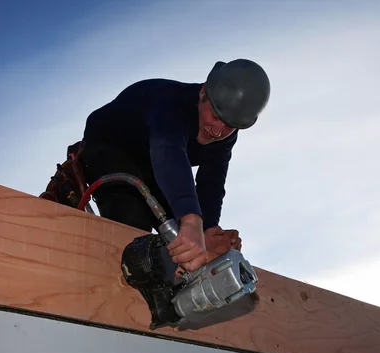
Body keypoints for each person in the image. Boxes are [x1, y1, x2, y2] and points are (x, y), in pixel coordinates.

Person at [78, 58, 270, 273]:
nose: (218, 131)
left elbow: (212, 184)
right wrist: (191, 221)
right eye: (215, 116)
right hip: (108, 146)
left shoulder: (225, 136)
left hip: (152, 168)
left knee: (182, 239)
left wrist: (207, 232)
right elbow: (168, 150)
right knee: (134, 225)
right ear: (203, 92)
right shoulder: (169, 100)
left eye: (229, 127)